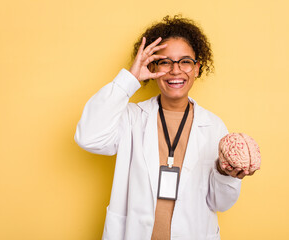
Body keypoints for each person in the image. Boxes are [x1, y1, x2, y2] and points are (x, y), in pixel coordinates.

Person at [74, 15, 255, 240]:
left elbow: (221, 203)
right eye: (165, 61)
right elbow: (88, 137)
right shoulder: (132, 118)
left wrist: (225, 174)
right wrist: (130, 79)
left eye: (185, 61)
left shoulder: (213, 126)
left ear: (197, 68)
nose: (175, 70)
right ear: (152, 66)